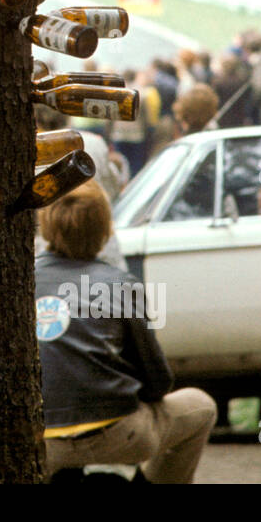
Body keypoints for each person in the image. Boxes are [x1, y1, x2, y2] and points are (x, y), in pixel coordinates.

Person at [35, 180, 217, 483]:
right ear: (107, 230)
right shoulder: (122, 285)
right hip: (121, 434)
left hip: (42, 444)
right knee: (202, 407)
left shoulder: (21, 282)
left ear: (45, 228)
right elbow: (157, 381)